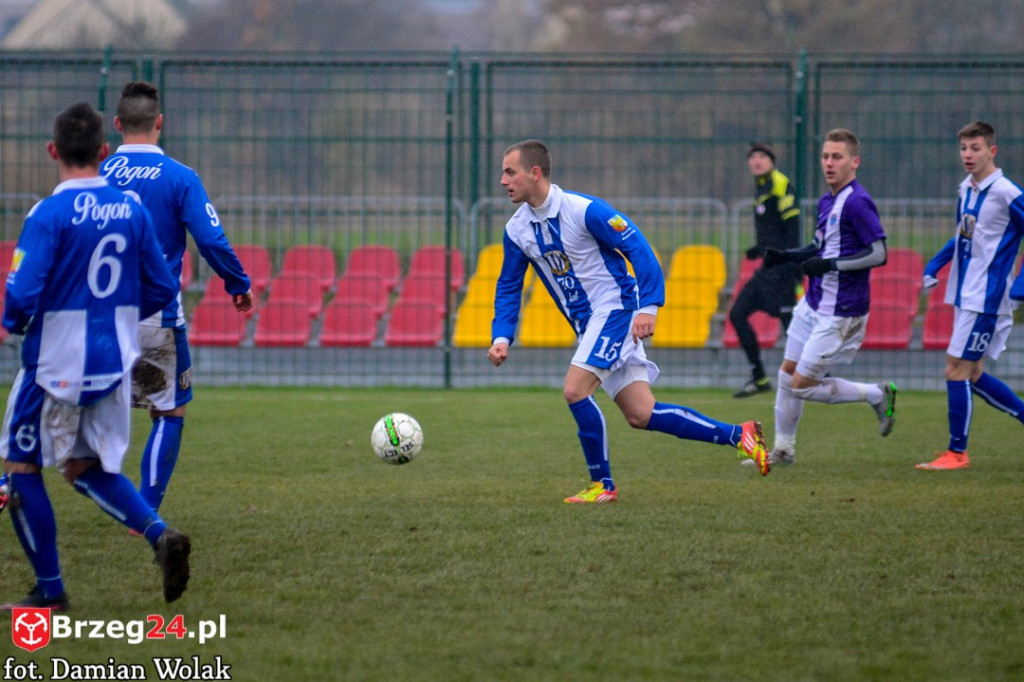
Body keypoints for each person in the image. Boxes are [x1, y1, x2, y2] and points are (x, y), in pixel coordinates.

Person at [487, 139, 771, 503]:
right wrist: (502, 337)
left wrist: (648, 306)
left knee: (575, 390)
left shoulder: (585, 210)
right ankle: (740, 435)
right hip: (589, 324)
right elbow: (508, 286)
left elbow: (638, 248)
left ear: (535, 173)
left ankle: (602, 485)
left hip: (615, 310)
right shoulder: (517, 229)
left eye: (510, 172)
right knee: (641, 414)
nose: (503, 181)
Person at [0, 102, 190, 611]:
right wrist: (118, 316)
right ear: (104, 151)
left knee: (21, 467)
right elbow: (162, 286)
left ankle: (50, 592)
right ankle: (159, 534)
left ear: (52, 151)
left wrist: (14, 323)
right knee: (81, 466)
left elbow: (20, 297)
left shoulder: (47, 213)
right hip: (112, 362)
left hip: (54, 365)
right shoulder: (132, 209)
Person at [100, 82, 252, 513]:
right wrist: (238, 283)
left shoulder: (96, 175)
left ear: (117, 124)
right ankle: (146, 515)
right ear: (160, 123)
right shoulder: (181, 177)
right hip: (154, 316)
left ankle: (13, 479)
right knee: (168, 412)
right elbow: (211, 240)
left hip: (94, 317)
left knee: (72, 410)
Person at [761, 128, 898, 465]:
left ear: (855, 162)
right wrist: (787, 256)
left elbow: (879, 253)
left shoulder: (858, 202)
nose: (829, 163)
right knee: (786, 374)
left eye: (837, 157)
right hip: (813, 302)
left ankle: (876, 394)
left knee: (802, 385)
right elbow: (820, 247)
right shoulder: (826, 201)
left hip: (842, 309)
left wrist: (830, 265)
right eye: (825, 156)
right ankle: (783, 451)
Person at [917, 121, 1024, 471]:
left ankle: (957, 453)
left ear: (992, 151)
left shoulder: (1006, 192)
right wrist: (936, 263)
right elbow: (964, 235)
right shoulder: (967, 189)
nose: (968, 154)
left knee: (955, 369)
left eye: (975, 148)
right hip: (966, 294)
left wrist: (1020, 284)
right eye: (964, 148)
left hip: (988, 298)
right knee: (973, 372)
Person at [730, 142, 802, 397]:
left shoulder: (780, 184)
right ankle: (759, 377)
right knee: (737, 314)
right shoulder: (761, 186)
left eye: (762, 156)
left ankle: (816, 375)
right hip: (767, 269)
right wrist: (758, 249)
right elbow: (773, 230)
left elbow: (792, 229)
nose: (757, 161)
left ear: (772, 160)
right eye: (753, 157)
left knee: (792, 327)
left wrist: (790, 264)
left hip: (782, 269)